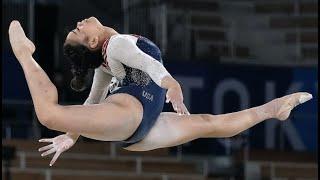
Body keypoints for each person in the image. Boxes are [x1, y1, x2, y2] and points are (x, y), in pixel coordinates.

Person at [8, 18, 312, 167]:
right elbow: (146, 64)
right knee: (50, 114)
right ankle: (25, 54)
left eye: (74, 28)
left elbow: (92, 103)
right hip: (132, 114)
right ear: (92, 42)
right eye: (78, 31)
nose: (78, 23)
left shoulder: (108, 58)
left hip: (142, 126)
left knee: (211, 123)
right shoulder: (115, 45)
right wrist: (172, 85)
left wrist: (71, 135)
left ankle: (274, 109)